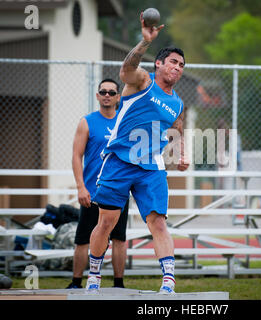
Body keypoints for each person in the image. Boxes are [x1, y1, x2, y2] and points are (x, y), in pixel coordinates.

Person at [85, 13, 189, 294]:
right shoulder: (143, 81)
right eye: (172, 62)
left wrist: (181, 153)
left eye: (181, 65)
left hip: (151, 166)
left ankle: (168, 282)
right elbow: (124, 72)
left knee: (158, 221)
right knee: (106, 222)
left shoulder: (177, 104)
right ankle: (94, 274)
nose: (177, 68)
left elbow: (177, 128)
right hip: (119, 160)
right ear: (159, 63)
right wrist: (144, 42)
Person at [68, 78, 129, 289]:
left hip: (118, 190)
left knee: (119, 238)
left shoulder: (124, 122)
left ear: (118, 97)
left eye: (112, 92)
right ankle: (76, 282)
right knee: (83, 239)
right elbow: (77, 156)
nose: (107, 95)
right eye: (103, 91)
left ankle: (118, 285)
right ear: (97, 95)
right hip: (92, 192)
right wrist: (80, 187)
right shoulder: (87, 122)